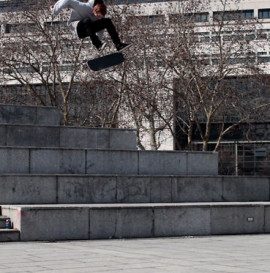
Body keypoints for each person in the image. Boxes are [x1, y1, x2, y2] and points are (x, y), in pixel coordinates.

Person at [50, 0, 131, 51]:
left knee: (107, 21)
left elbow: (100, 30)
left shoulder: (100, 17)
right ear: (94, 11)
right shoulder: (84, 7)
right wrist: (55, 10)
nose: (98, 18)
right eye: (98, 16)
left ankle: (118, 44)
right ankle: (97, 44)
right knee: (86, 20)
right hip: (78, 28)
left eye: (100, 17)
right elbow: (68, 1)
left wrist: (100, 44)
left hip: (89, 29)